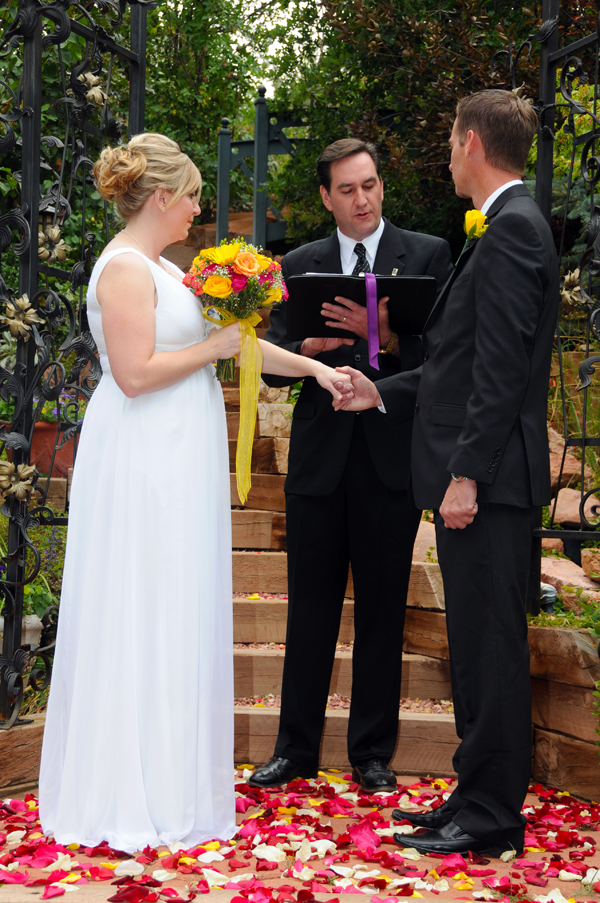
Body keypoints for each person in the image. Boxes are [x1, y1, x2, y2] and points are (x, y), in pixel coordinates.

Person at [38, 133, 353, 853]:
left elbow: (233, 342)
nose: (199, 210)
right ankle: (125, 787)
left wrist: (314, 372)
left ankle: (170, 777)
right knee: (140, 605)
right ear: (160, 198)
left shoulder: (168, 268)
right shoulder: (123, 270)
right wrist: (212, 351)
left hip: (178, 460)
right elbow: (136, 373)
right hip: (143, 462)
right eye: (192, 198)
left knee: (173, 606)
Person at [334, 91, 558, 854]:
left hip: (487, 487)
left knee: (491, 648)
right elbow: (457, 367)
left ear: (470, 143)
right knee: (473, 643)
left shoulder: (512, 233)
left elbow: (498, 375)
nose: (447, 153)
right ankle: (472, 795)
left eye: (450, 141)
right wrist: (379, 391)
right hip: (481, 480)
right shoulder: (507, 227)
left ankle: (492, 817)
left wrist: (465, 474)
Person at [249, 139, 453, 794]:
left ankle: (372, 752)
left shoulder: (426, 255)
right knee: (307, 609)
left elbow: (445, 357)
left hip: (391, 458)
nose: (362, 199)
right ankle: (294, 749)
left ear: (380, 185)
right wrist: (304, 347)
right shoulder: (300, 264)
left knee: (383, 612)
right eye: (347, 189)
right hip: (318, 460)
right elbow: (271, 362)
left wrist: (386, 336)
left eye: (370, 185)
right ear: (325, 196)